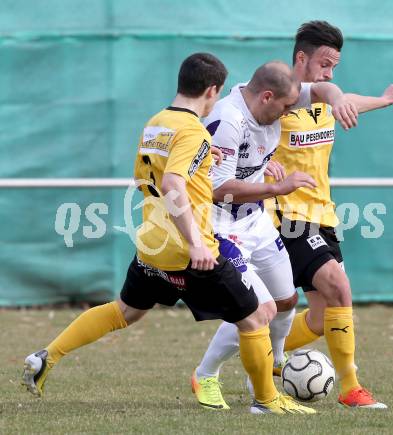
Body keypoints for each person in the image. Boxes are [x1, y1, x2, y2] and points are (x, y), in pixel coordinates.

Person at [21, 52, 311, 415]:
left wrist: (207, 161)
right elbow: (174, 181)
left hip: (152, 244)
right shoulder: (193, 130)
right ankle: (266, 401)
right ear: (211, 89)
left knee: (124, 311)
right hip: (190, 250)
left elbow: (154, 175)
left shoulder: (156, 123)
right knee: (256, 316)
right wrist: (195, 243)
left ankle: (48, 355)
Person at [191, 60, 360, 411]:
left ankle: (277, 362)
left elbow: (321, 92)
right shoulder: (229, 121)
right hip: (222, 227)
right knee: (260, 309)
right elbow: (217, 189)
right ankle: (215, 378)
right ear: (267, 97)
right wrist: (276, 186)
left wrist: (339, 97)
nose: (288, 115)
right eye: (284, 108)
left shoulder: (276, 100)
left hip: (258, 223)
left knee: (286, 301)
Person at [268, 21, 393, 409]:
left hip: (322, 215)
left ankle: (251, 357)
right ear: (301, 58)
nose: (330, 74)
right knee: (339, 288)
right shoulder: (278, 100)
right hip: (287, 217)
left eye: (334, 67)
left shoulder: (328, 101)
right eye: (324, 64)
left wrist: (384, 100)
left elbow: (345, 100)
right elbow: (243, 138)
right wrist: (262, 168)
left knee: (319, 319)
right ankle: (350, 387)